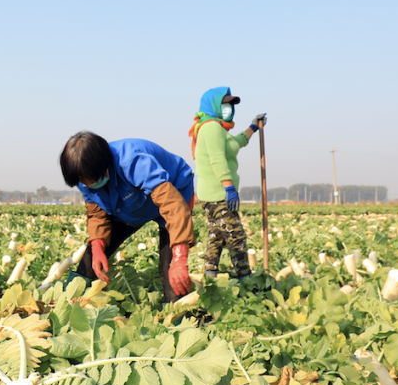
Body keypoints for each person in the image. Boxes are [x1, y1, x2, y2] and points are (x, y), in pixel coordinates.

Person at [60, 132, 196, 303]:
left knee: (170, 269)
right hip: (129, 204)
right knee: (90, 260)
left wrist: (180, 257)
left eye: (89, 180)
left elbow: (172, 204)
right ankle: (69, 304)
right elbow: (96, 212)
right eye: (82, 181)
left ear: (103, 166)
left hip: (174, 192)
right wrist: (97, 245)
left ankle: (180, 320)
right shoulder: (84, 177)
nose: (86, 185)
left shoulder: (132, 161)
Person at [188, 86, 267, 278]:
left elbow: (236, 143)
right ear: (213, 105)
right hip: (218, 193)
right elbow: (217, 159)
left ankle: (209, 277)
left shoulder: (217, 128)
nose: (230, 108)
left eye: (232, 105)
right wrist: (229, 187)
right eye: (225, 104)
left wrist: (253, 127)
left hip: (213, 193)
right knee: (235, 235)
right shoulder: (211, 127)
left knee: (217, 236)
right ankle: (245, 279)